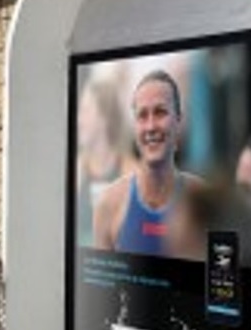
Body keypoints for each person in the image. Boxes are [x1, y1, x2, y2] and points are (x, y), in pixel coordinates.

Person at [92, 69, 206, 258]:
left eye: (160, 112)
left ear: (178, 120)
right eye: (142, 115)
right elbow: (95, 277)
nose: (151, 126)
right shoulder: (109, 204)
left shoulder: (201, 201)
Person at [75, 77, 134, 246]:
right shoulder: (76, 170)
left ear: (104, 117)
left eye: (85, 111)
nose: (79, 120)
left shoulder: (131, 173)